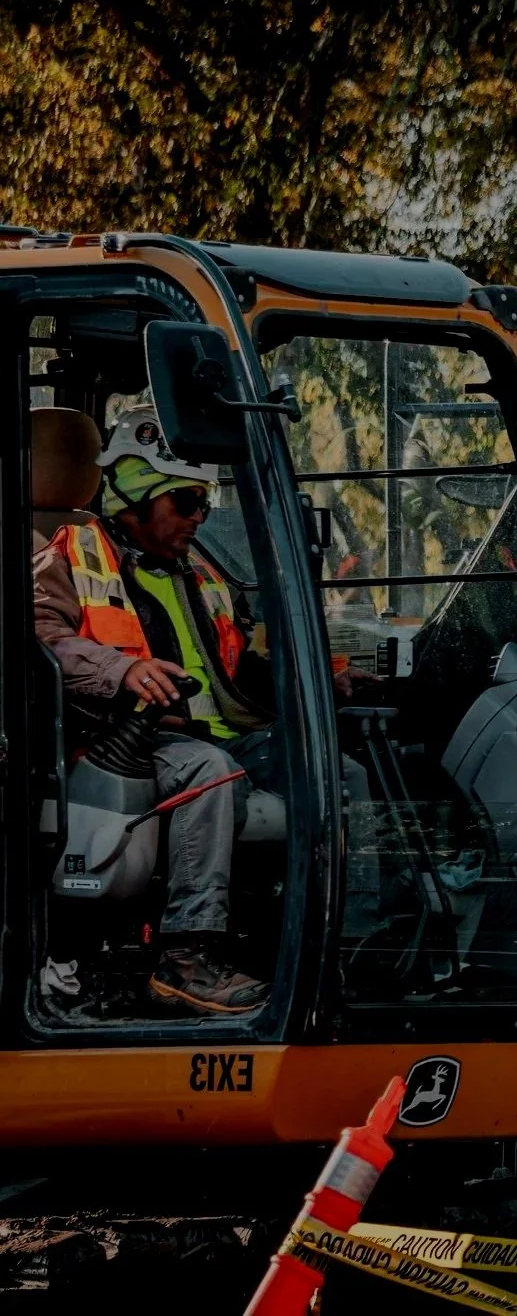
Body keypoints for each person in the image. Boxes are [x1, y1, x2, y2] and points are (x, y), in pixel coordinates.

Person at [34, 410, 276, 1014]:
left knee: (339, 768)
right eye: (187, 501)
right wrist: (121, 671)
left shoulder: (200, 570)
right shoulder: (64, 556)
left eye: (205, 504)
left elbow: (238, 664)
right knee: (209, 770)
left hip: (221, 733)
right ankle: (185, 958)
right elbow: (38, 639)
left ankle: (346, 939)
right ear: (136, 501)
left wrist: (331, 685)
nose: (200, 517)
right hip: (122, 742)